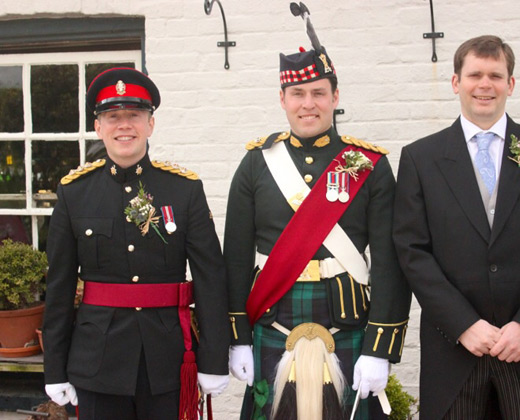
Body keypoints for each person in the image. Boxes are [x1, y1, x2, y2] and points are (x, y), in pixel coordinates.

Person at [223, 4, 411, 419]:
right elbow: (235, 257)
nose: (308, 104)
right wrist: (236, 337)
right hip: (272, 317)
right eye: (298, 94)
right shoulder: (256, 162)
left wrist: (380, 348)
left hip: (346, 320)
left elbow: (390, 262)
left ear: (335, 97)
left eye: (318, 93)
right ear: (283, 99)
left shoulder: (368, 164)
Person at [393, 35, 520, 419]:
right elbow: (412, 250)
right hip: (454, 351)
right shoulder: (420, 158)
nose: (485, 84)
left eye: (496, 75)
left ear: (510, 84)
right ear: (456, 82)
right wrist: (463, 324)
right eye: (475, 74)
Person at [42, 67, 230, 420]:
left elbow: (210, 279)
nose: (124, 125)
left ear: (150, 124)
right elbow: (60, 287)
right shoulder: (74, 193)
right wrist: (54, 367)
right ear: (98, 127)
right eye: (113, 116)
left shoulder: (184, 190)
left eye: (134, 116)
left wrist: (215, 359)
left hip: (167, 359)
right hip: (96, 361)